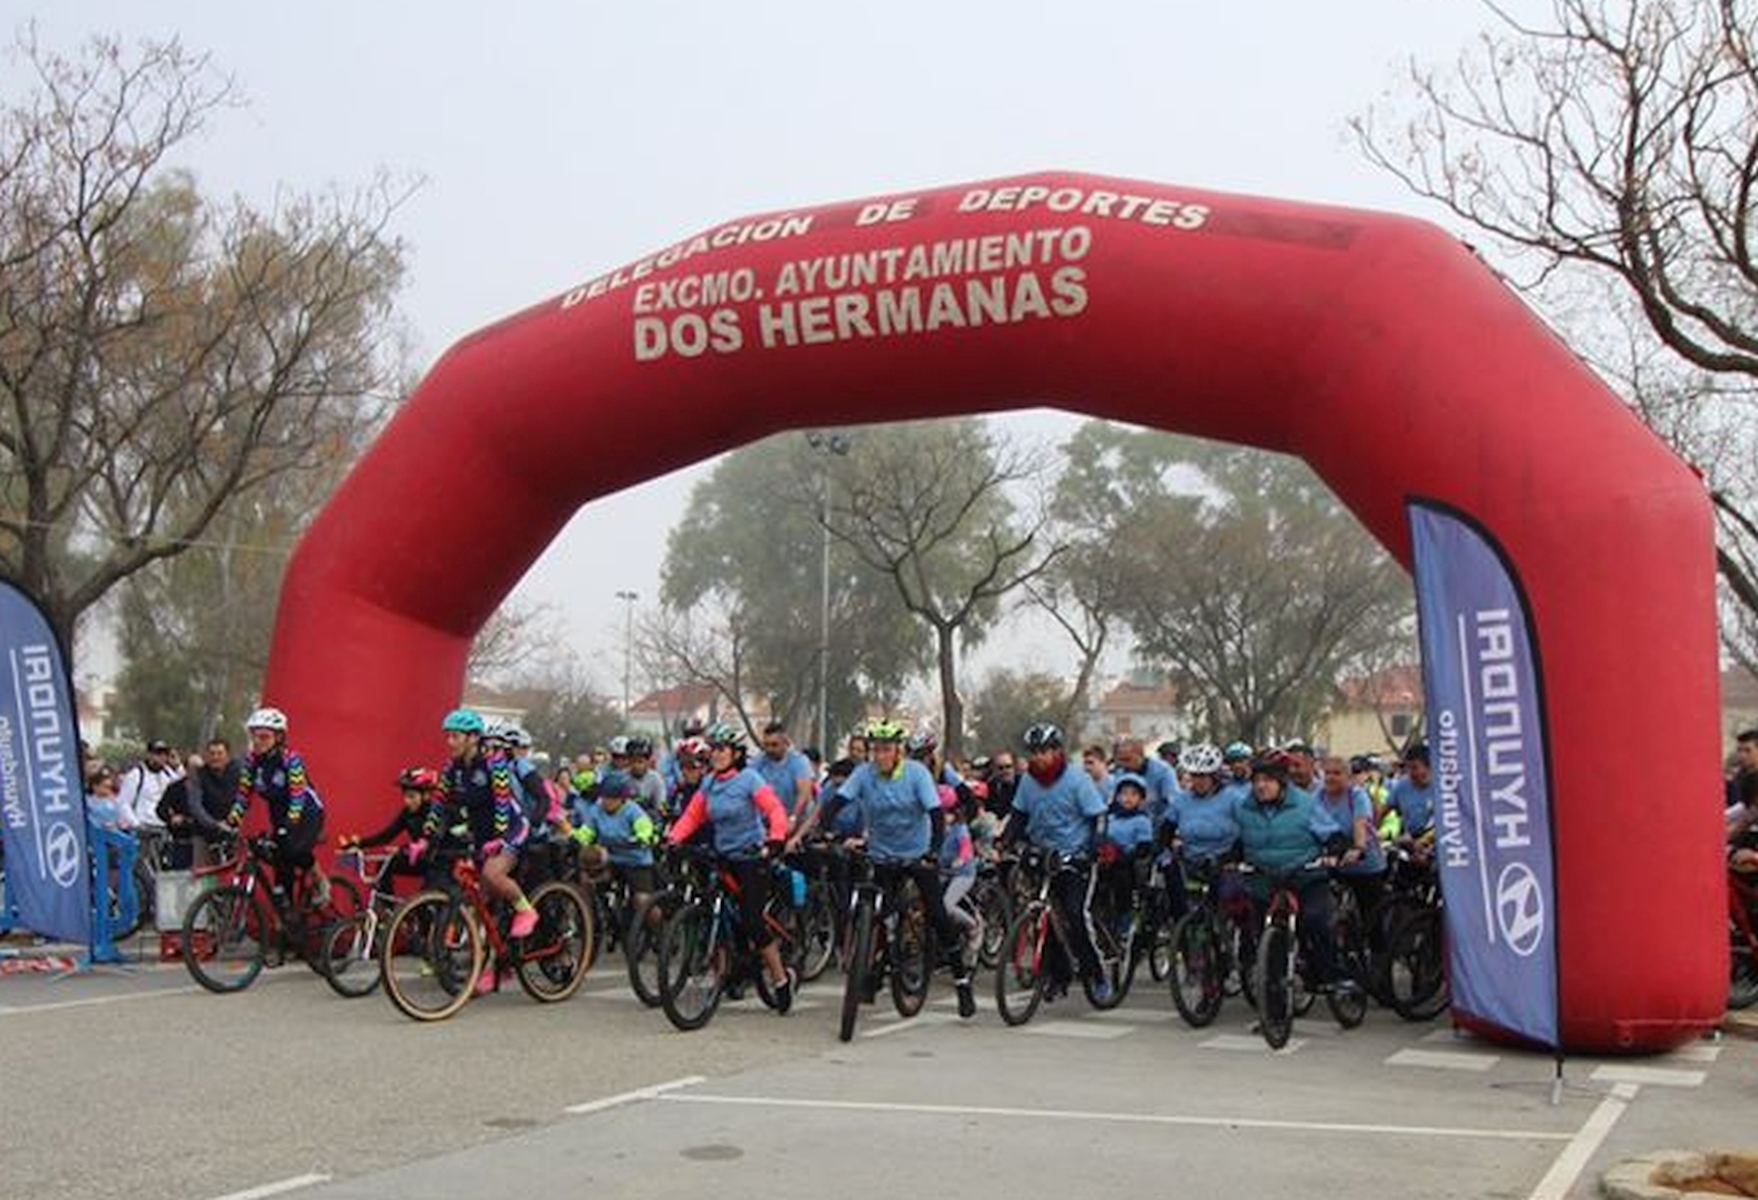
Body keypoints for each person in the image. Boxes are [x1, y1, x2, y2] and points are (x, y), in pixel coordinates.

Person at [824, 720, 976, 1018]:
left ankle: (961, 982)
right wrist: (826, 829)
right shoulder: (864, 774)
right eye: (875, 749)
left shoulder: (916, 774)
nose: (880, 755)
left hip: (917, 854)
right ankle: (871, 972)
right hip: (882, 854)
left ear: (898, 751)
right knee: (878, 913)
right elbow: (838, 801)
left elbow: (935, 814)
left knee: (936, 913)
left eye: (886, 749)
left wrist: (933, 851)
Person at [665, 722, 796, 1012]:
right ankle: (725, 972)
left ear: (736, 753)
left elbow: (774, 809)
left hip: (751, 857)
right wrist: (673, 839)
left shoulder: (750, 779)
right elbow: (692, 816)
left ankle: (779, 977)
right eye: (714, 749)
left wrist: (776, 839)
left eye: (722, 749)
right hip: (722, 856)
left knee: (752, 919)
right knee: (716, 909)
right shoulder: (709, 783)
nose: (716, 754)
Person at [419, 708, 538, 994]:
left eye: (455, 736)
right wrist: (425, 838)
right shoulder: (451, 769)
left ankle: (527, 911)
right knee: (479, 904)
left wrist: (499, 837)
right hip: (481, 835)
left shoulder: (494, 765)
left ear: (473, 738)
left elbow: (501, 802)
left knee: (492, 873)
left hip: (510, 827)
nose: (450, 741)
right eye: (448, 736)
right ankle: (494, 965)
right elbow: (438, 804)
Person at [1005, 722, 1111, 1002]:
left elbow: (1098, 817)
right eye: (1034, 752)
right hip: (1043, 855)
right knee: (1044, 918)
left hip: (1074, 858)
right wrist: (1006, 841)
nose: (1038, 757)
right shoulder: (1028, 780)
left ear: (1057, 751)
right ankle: (1056, 974)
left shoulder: (1077, 780)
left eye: (1044, 751)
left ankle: (1097, 973)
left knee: (1075, 915)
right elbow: (1018, 814)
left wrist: (1094, 848)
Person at [1233, 754, 1351, 993]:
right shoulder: (1245, 808)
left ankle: (1331, 974)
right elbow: (1240, 841)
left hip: (1305, 877)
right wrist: (1230, 859)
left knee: (1315, 920)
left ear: (1281, 782)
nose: (1260, 785)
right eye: (1256, 780)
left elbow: (1333, 836)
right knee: (1262, 934)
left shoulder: (1306, 805)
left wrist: (1334, 853)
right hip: (1264, 880)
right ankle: (1273, 1006)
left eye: (1267, 780)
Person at [226, 709, 329, 909]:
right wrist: (232, 819)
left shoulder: (291, 759)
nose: (257, 741)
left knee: (292, 849)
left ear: (279, 737)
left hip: (307, 812)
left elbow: (298, 793)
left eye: (264, 737)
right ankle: (287, 912)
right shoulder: (251, 761)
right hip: (278, 812)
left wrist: (291, 821)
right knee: (279, 859)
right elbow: (244, 795)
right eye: (254, 736)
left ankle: (320, 879)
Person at [338, 767, 444, 901]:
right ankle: (390, 912)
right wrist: (359, 844)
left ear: (426, 796)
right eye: (405, 796)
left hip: (438, 863)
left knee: (421, 906)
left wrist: (403, 849)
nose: (407, 801)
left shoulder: (435, 813)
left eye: (412, 796)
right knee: (384, 865)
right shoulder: (407, 813)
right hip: (420, 860)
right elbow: (386, 836)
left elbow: (433, 841)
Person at [570, 768, 660, 927]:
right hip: (611, 859)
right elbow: (588, 831)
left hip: (636, 861)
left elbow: (645, 828)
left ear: (622, 799)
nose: (606, 802)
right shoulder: (596, 810)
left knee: (642, 901)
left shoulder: (633, 811)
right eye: (604, 797)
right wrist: (576, 838)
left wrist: (642, 837)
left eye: (612, 798)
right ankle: (589, 920)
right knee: (587, 880)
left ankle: (659, 931)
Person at [1314, 755, 1387, 946]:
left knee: (1371, 918)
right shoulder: (1318, 796)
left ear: (1348, 776)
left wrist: (1358, 848)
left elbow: (1360, 823)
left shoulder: (1357, 795)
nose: (1330, 778)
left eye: (1337, 773)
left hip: (1365, 864)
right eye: (1327, 773)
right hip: (1334, 861)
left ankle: (1379, 963)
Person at [1167, 744, 1244, 919]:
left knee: (1228, 901)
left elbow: (1248, 831)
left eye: (1203, 776)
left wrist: (1232, 857)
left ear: (1215, 777)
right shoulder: (1182, 800)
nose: (1197, 781)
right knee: (1173, 886)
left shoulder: (1233, 798)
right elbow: (1167, 829)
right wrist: (1165, 848)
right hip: (1191, 861)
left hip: (1224, 860)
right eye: (1194, 776)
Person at [1099, 773, 1154, 939]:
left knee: (1123, 883)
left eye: (1133, 794)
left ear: (1141, 799)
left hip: (1128, 864)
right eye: (1124, 793)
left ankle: (1125, 923)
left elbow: (1144, 847)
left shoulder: (1141, 820)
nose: (1127, 798)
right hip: (1107, 861)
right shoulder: (1110, 817)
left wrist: (1126, 856)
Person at [756, 721, 818, 829]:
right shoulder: (759, 761)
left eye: (774, 745)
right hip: (767, 821)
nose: (769, 749)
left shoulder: (799, 761)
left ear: (785, 742)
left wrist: (793, 818)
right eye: (766, 745)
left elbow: (803, 794)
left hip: (795, 820)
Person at [1388, 742, 1437, 840]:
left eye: (1415, 767)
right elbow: (1384, 810)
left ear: (1429, 766)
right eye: (1408, 768)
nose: (1411, 773)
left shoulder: (1442, 787)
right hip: (1410, 842)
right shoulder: (1401, 786)